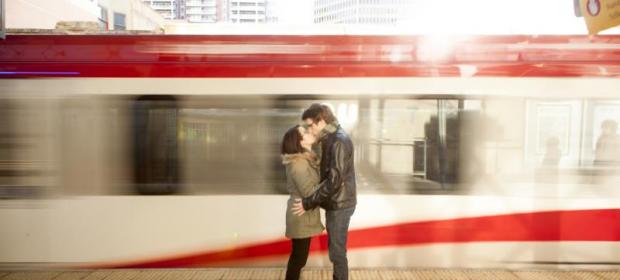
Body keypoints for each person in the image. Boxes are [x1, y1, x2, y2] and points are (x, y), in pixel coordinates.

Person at [291, 103, 357, 280]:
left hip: (340, 204)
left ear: (321, 121)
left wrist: (308, 202)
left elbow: (334, 181)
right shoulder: (331, 138)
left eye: (311, 125)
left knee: (337, 254)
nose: (310, 130)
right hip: (337, 201)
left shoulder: (338, 141)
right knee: (336, 252)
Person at [281, 125, 325, 280]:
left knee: (299, 258)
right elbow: (309, 192)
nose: (309, 131)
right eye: (304, 132)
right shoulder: (298, 164)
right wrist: (331, 183)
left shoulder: (306, 159)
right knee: (298, 259)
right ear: (298, 142)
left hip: (304, 214)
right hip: (301, 216)